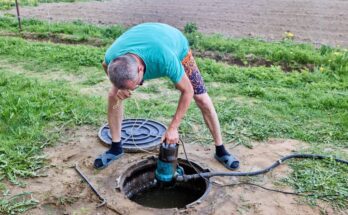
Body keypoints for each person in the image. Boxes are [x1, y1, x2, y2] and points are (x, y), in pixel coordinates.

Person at [94, 23, 239, 170]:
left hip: (174, 43)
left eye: (135, 85)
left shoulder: (165, 58)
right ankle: (116, 147)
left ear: (140, 69)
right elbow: (105, 65)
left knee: (201, 98)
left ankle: (221, 150)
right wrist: (120, 89)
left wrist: (173, 128)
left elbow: (187, 91)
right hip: (144, 35)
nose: (134, 89)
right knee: (114, 96)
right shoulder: (112, 56)